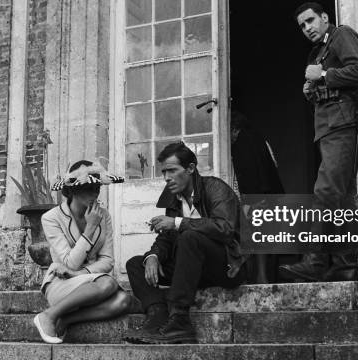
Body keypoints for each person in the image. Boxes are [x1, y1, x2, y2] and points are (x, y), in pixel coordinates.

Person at [279, 2, 358, 282]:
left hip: (345, 123)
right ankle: (345, 267)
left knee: (325, 191)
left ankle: (315, 260)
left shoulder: (341, 35)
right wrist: (312, 89)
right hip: (329, 127)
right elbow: (327, 87)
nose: (307, 28)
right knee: (342, 199)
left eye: (311, 21)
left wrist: (323, 75)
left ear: (324, 18)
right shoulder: (317, 52)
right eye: (302, 25)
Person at [123, 142, 246, 344]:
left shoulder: (215, 188)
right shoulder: (174, 197)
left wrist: (178, 222)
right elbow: (166, 237)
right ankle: (157, 317)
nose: (166, 178)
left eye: (172, 170)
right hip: (190, 269)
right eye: (164, 172)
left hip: (226, 267)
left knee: (190, 236)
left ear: (190, 168)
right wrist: (152, 256)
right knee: (136, 264)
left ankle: (180, 319)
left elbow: (225, 229)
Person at [33, 160, 129, 344]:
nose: (95, 193)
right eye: (89, 188)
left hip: (91, 282)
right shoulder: (51, 218)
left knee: (124, 301)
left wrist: (80, 274)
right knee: (108, 283)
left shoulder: (104, 216)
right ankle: (48, 315)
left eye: (98, 188)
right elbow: (70, 263)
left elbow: (108, 260)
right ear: (73, 191)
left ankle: (66, 319)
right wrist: (90, 228)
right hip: (61, 282)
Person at [231, 109, 284, 283]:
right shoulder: (260, 140)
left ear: (234, 129)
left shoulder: (242, 142)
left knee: (255, 233)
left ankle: (260, 277)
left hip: (256, 194)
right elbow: (273, 165)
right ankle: (265, 276)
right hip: (271, 194)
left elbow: (244, 176)